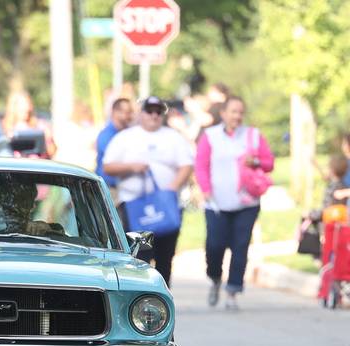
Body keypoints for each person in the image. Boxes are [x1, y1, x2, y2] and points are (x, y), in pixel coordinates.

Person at [102, 96, 194, 286]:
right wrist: (132, 167)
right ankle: (140, 298)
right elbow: (108, 166)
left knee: (165, 257)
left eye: (158, 111)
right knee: (138, 258)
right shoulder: (125, 137)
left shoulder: (173, 136)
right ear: (141, 113)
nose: (154, 115)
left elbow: (186, 165)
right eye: (149, 111)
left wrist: (172, 188)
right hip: (135, 205)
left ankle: (161, 297)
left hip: (166, 204)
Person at [195, 95, 274, 310]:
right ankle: (215, 277)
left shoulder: (253, 135)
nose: (237, 116)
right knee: (214, 245)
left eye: (240, 112)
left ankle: (232, 290)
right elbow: (201, 166)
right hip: (216, 203)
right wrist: (206, 190)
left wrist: (255, 161)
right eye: (233, 111)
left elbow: (269, 163)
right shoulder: (210, 136)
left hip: (247, 202)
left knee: (240, 246)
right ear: (223, 113)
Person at [95, 98, 133, 199]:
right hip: (109, 189)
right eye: (127, 112)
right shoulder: (107, 135)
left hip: (122, 189)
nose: (130, 116)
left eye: (130, 112)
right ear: (115, 112)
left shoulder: (128, 133)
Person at [2, 90, 56, 159]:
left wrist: (48, 139)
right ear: (13, 108)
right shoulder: (5, 128)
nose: (26, 109)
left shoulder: (40, 126)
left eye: (27, 105)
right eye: (22, 106)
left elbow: (52, 151)